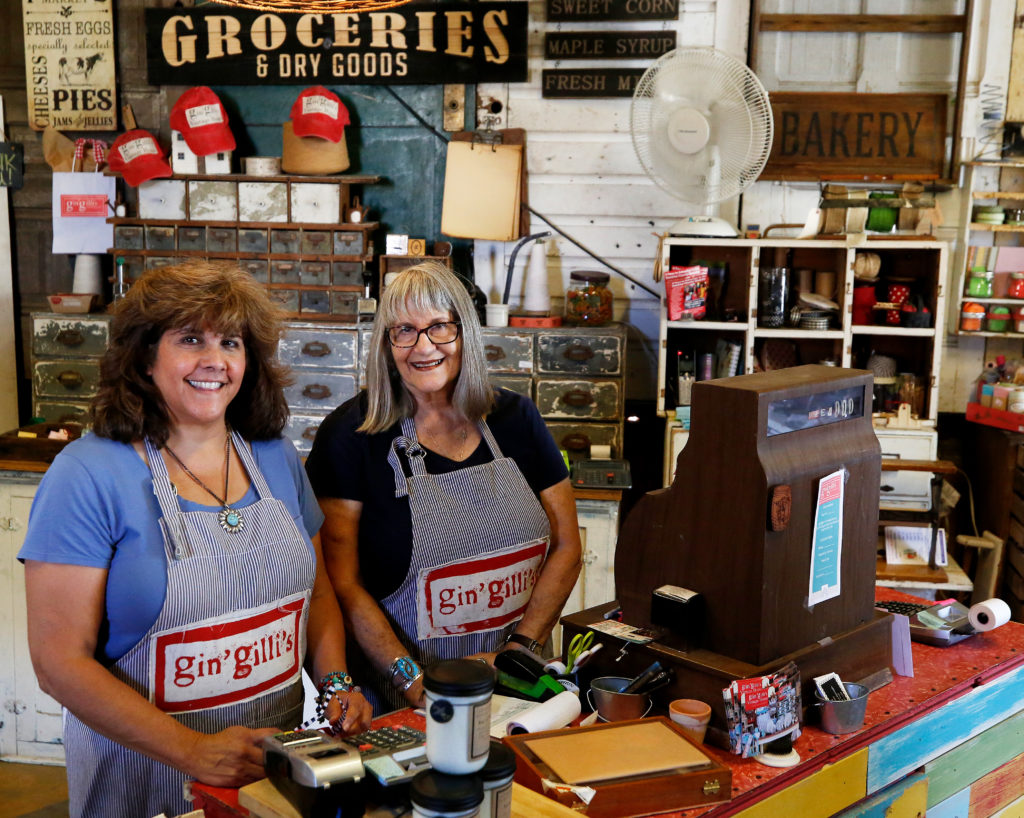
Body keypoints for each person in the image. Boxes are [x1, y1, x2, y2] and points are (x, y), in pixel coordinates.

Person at [19, 261, 372, 818]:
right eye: (190, 340)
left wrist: (333, 683)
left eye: (230, 342)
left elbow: (318, 592)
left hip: (271, 777)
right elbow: (59, 661)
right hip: (144, 783)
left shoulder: (276, 458)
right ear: (143, 356)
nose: (214, 361)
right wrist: (192, 752)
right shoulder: (87, 474)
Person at [305, 261, 583, 714]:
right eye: (405, 331)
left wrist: (519, 654)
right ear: (387, 344)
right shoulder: (350, 438)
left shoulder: (516, 420)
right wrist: (419, 686)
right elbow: (343, 583)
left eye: (439, 327)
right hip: (403, 699)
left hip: (517, 688)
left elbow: (568, 544)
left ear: (465, 333)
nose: (424, 346)